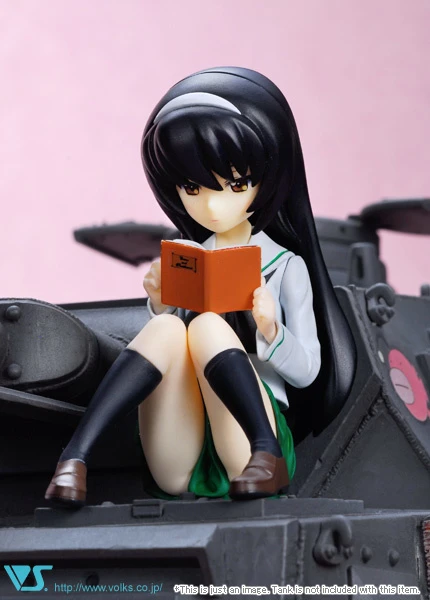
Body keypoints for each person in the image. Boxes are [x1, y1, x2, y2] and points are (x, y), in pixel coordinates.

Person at [45, 67, 355, 506]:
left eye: (236, 184)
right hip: (183, 442)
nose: (211, 205)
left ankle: (268, 452)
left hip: (245, 442)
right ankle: (74, 458)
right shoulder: (189, 258)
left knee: (208, 326)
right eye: (192, 187)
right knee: (168, 328)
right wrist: (160, 302)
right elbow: (171, 352)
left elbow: (308, 370)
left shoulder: (285, 266)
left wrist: (271, 330)